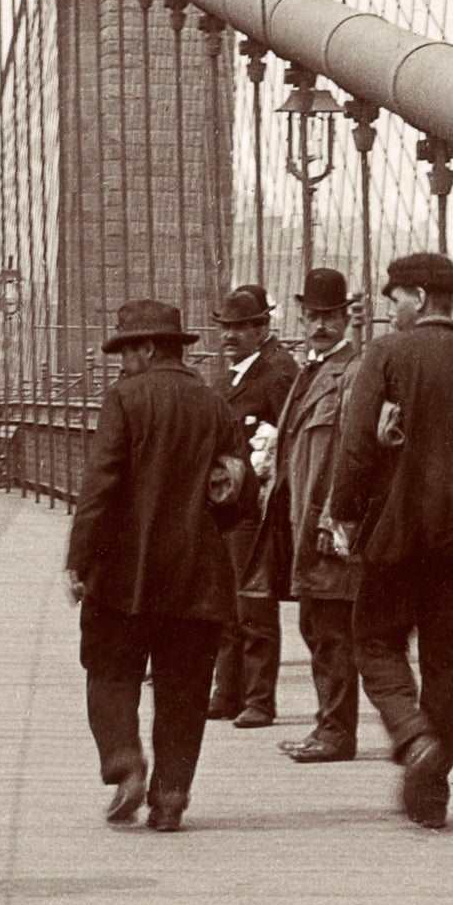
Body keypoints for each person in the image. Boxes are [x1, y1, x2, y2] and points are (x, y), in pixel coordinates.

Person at [329, 251, 453, 828]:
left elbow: (359, 447)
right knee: (447, 665)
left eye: (394, 301)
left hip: (396, 537)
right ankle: (431, 796)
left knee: (374, 643)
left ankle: (414, 740)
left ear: (416, 297)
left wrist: (342, 514)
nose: (390, 313)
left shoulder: (387, 355)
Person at [64, 298, 254, 833]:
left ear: (146, 349)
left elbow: (100, 485)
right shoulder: (216, 404)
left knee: (109, 671)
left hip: (124, 574)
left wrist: (78, 559)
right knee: (186, 689)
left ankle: (125, 761)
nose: (121, 364)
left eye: (125, 352)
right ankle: (170, 795)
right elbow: (241, 498)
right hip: (198, 575)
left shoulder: (124, 399)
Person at [248, 266, 363, 763]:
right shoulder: (309, 370)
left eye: (330, 316)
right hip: (296, 520)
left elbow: (353, 453)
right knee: (317, 626)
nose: (320, 325)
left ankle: (337, 732)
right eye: (314, 316)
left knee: (332, 628)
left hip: (326, 524)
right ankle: (330, 726)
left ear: (346, 318)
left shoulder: (353, 373)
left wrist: (334, 518)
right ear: (301, 316)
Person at [207, 283, 298, 728]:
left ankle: (259, 699)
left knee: (253, 602)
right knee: (227, 602)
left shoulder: (279, 372)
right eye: (226, 327)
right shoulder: (229, 375)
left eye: (241, 327)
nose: (230, 335)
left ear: (263, 328)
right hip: (225, 503)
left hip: (256, 508)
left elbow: (290, 436)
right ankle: (228, 692)